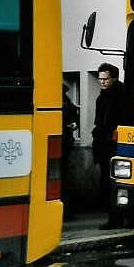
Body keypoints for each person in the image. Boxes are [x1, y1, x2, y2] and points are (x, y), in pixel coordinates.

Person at [92, 63, 134, 229]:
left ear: (114, 78)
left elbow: (125, 121)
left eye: (105, 79)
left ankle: (120, 218)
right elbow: (99, 123)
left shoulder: (122, 95)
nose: (102, 82)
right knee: (109, 184)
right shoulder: (102, 97)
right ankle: (120, 217)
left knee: (117, 184)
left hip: (118, 146)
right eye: (100, 79)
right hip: (105, 145)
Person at [62, 84, 80, 216]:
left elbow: (74, 119)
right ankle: (67, 209)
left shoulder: (67, 104)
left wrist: (73, 124)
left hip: (64, 142)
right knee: (64, 177)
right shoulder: (67, 103)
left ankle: (67, 209)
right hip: (65, 142)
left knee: (63, 177)